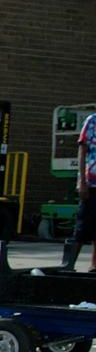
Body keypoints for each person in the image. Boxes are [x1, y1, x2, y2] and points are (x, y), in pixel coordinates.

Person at [74, 111, 96, 271]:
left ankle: (94, 266)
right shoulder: (92, 121)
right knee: (82, 225)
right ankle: (68, 264)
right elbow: (82, 151)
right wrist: (81, 181)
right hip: (92, 183)